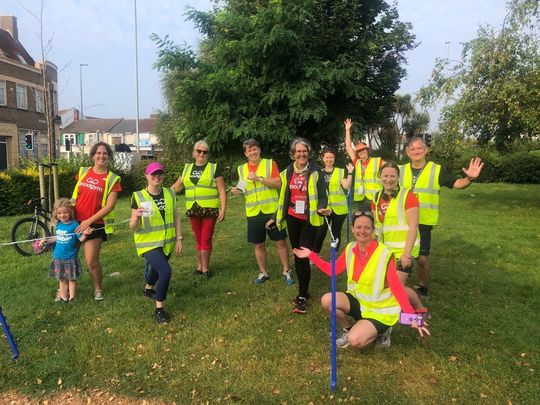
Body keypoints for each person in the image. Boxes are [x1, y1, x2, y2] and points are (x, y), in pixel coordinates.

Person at [293, 213, 430, 349]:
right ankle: (348, 329)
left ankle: (382, 330)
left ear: (373, 230)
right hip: (359, 302)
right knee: (327, 300)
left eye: (367, 228)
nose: (362, 231)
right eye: (358, 227)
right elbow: (332, 270)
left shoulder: (384, 253)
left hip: (379, 310)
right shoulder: (350, 248)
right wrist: (311, 255)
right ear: (352, 229)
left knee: (355, 341)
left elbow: (396, 286)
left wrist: (411, 315)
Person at [400, 136, 484, 299]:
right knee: (402, 253)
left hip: (424, 221)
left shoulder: (436, 170)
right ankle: (400, 281)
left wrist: (470, 178)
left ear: (426, 150)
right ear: (407, 153)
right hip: (402, 220)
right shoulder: (400, 170)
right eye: (412, 149)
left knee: (422, 259)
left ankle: (422, 286)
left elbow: (458, 184)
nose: (416, 151)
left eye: (420, 148)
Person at [266, 138, 329, 314]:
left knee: (303, 256)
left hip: (309, 219)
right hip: (293, 218)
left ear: (308, 153)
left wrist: (323, 206)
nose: (302, 154)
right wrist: (274, 216)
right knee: (296, 253)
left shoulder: (318, 172)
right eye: (298, 151)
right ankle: (304, 291)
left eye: (304, 151)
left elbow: (323, 195)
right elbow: (283, 196)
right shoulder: (287, 172)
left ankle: (302, 295)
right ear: (293, 154)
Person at [231, 138, 294, 285]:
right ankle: (263, 272)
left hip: (271, 211)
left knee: (280, 241)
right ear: (246, 153)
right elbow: (243, 187)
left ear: (259, 150)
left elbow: (278, 183)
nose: (253, 152)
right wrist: (237, 190)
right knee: (258, 244)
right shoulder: (241, 169)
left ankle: (286, 271)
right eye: (249, 150)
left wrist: (259, 178)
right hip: (253, 212)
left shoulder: (269, 164)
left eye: (255, 149)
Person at [130, 162, 183, 324]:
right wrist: (136, 217)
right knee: (165, 271)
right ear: (147, 176)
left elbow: (176, 217)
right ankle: (159, 310)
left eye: (159, 173)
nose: (157, 176)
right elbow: (133, 227)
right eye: (153, 174)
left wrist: (179, 238)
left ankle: (148, 289)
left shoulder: (170, 193)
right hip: (148, 242)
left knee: (157, 267)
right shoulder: (138, 196)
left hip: (167, 241)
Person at [71, 141, 121, 301]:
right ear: (93, 155)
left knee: (91, 261)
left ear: (109, 157)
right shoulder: (83, 172)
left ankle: (98, 289)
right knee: (68, 257)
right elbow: (76, 196)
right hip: (74, 222)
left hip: (95, 225)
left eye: (105, 153)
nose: (101, 156)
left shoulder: (113, 179)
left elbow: (110, 206)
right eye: (98, 153)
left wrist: (87, 222)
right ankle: (65, 290)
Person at [372, 162, 423, 309]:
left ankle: (419, 309)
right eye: (385, 176)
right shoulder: (376, 197)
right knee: (386, 284)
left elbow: (413, 226)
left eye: (392, 176)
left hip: (403, 250)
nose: (389, 179)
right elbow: (378, 226)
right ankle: (394, 312)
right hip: (385, 250)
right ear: (380, 177)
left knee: (397, 287)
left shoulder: (408, 195)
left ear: (398, 177)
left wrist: (406, 254)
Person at [172, 140, 226, 277]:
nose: (202, 154)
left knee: (206, 238)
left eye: (205, 152)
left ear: (207, 154)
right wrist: (157, 193)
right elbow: (176, 187)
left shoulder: (214, 168)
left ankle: (206, 268)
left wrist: (223, 208)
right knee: (198, 239)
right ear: (194, 153)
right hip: (193, 209)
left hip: (209, 209)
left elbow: (221, 191)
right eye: (199, 151)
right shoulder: (187, 168)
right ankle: (199, 266)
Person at [47, 198, 92, 302]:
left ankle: (72, 298)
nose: (62, 215)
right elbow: (57, 237)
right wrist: (47, 241)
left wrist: (85, 234)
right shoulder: (57, 225)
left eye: (65, 212)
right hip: (58, 257)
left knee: (71, 279)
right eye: (59, 213)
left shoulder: (75, 225)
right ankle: (63, 298)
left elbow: (80, 239)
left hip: (70, 258)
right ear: (56, 214)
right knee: (62, 279)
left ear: (70, 212)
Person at [312, 147, 354, 255]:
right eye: (327, 157)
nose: (329, 159)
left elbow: (346, 186)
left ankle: (333, 255)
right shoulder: (318, 173)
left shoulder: (340, 171)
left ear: (334, 159)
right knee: (321, 231)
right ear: (323, 158)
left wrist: (350, 173)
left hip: (339, 209)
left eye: (331, 157)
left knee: (336, 233)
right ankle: (315, 253)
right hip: (324, 208)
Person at [344, 119, 385, 212]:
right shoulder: (357, 162)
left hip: (376, 198)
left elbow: (392, 168)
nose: (361, 152)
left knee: (376, 222)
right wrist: (347, 130)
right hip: (361, 199)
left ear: (367, 150)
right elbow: (349, 147)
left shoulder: (377, 161)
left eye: (363, 150)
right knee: (364, 222)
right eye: (359, 151)